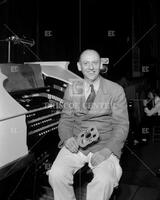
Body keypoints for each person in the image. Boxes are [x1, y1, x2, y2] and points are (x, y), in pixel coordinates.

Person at [48, 49, 129, 200]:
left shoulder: (115, 90)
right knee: (56, 175)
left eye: (94, 63)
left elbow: (121, 126)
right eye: (86, 63)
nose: (91, 67)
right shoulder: (74, 89)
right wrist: (67, 138)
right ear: (79, 66)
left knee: (104, 181)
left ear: (101, 65)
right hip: (77, 144)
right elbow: (66, 120)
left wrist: (106, 152)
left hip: (105, 144)